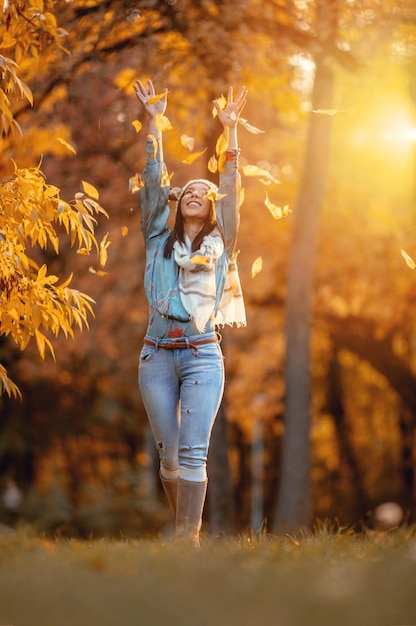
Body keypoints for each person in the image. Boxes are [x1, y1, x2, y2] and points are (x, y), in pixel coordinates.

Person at [134, 78, 247, 546]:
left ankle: (187, 543)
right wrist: (155, 122)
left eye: (205, 190)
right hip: (156, 356)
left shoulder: (223, 245)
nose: (197, 192)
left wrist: (231, 131)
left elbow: (231, 182)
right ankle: (184, 532)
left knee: (195, 452)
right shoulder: (157, 240)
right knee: (169, 457)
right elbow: (153, 178)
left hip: (202, 354)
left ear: (213, 206)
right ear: (178, 204)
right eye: (188, 191)